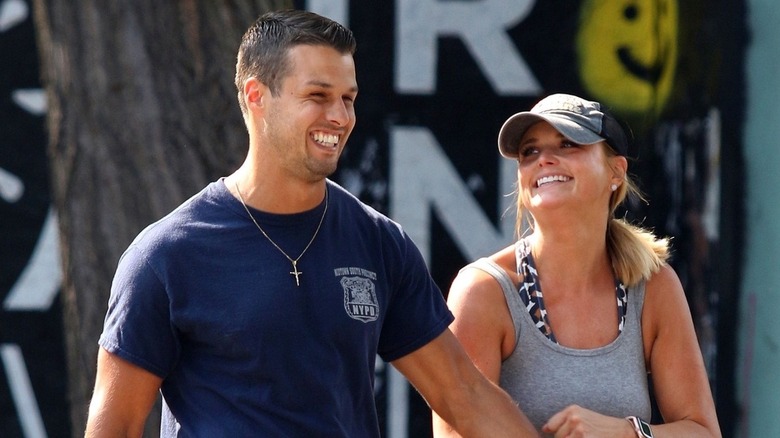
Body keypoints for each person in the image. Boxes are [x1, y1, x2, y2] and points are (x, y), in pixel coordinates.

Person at [84, 9, 539, 438]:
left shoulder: (379, 242)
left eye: (348, 99)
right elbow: (114, 426)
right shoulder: (166, 255)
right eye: (317, 96)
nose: (339, 117)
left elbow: (463, 393)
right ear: (256, 96)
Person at [432, 93, 722, 438]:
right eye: (530, 151)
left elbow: (703, 432)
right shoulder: (484, 290)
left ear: (616, 171)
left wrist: (626, 432)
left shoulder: (654, 285)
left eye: (568, 144)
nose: (544, 159)